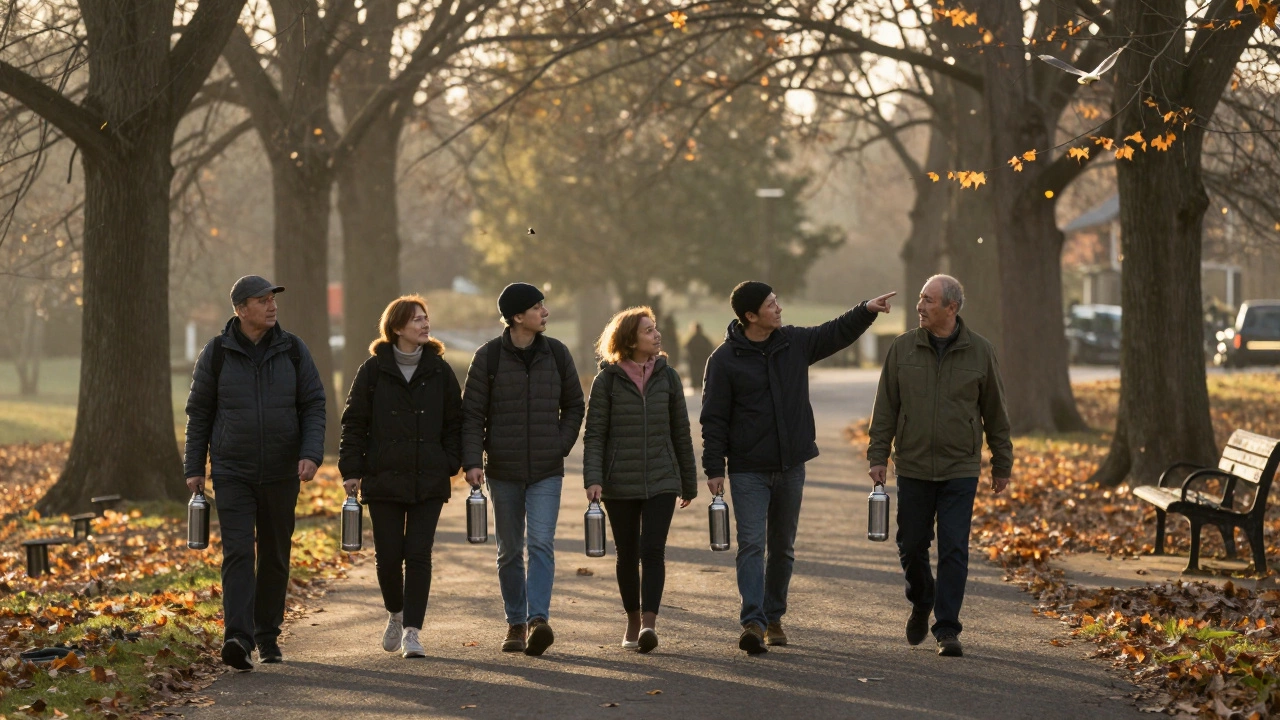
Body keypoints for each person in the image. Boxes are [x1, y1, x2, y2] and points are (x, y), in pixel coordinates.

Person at [702, 281, 894, 654]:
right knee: (752, 545)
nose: (779, 308)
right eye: (771, 305)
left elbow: (833, 333)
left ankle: (774, 616)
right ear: (750, 316)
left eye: (777, 301)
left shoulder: (793, 343)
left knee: (783, 548)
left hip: (791, 465)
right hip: (747, 470)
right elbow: (713, 419)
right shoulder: (724, 360)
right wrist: (714, 467)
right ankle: (753, 623)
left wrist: (865, 309)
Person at [184, 275, 326, 671]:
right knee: (239, 552)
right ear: (241, 309)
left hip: (283, 472)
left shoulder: (294, 350)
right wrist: (194, 467)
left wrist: (311, 453)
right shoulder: (216, 354)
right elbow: (199, 414)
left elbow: (314, 404)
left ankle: (267, 634)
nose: (271, 306)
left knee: (276, 555)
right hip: (233, 472)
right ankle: (238, 638)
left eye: (272, 299)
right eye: (262, 300)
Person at [867, 274, 1013, 658]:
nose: (920, 306)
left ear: (951, 308)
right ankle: (922, 598)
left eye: (928, 300)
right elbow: (885, 408)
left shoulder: (981, 352)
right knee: (911, 545)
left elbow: (995, 413)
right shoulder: (902, 349)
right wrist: (877, 456)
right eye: (920, 298)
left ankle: (947, 628)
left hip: (959, 468)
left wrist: (1002, 463)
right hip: (913, 465)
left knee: (954, 549)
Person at [461, 282, 585, 656]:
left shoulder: (558, 354)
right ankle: (515, 622)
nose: (545, 312)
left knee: (541, 544)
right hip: (503, 470)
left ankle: (537, 621)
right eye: (537, 307)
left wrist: (558, 445)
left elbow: (575, 405)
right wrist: (472, 461)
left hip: (547, 470)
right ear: (517, 317)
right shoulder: (489, 358)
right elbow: (472, 414)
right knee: (510, 550)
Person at [339, 295, 462, 659]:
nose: (424, 324)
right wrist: (351, 470)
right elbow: (354, 423)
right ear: (396, 328)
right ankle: (395, 612)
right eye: (416, 320)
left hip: (429, 478)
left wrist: (449, 462)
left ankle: (412, 631)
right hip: (383, 479)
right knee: (389, 556)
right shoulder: (372, 371)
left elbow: (456, 421)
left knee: (419, 554)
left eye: (426, 318)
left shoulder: (440, 370)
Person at [582, 307, 697, 653]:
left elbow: (682, 432)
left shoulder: (669, 377)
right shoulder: (607, 382)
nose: (657, 335)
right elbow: (594, 435)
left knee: (653, 550)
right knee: (627, 553)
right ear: (630, 340)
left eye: (655, 328)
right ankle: (632, 619)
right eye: (649, 330)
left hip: (662, 478)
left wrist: (688, 481)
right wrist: (593, 477)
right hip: (619, 481)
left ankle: (649, 624)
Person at [684, 322, 714, 392]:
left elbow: (686, 348)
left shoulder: (692, 338)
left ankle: (696, 385)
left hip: (695, 360)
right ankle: (701, 385)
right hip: (701, 360)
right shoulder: (704, 339)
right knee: (701, 372)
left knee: (695, 372)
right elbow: (710, 348)